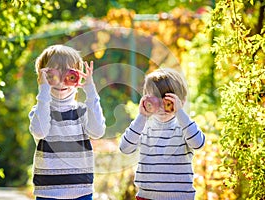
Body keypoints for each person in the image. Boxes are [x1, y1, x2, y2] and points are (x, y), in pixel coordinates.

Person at [29, 44, 106, 200]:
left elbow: (97, 132)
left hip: (81, 191)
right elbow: (39, 131)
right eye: (52, 75)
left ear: (78, 78)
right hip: (47, 192)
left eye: (70, 76)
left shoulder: (83, 112)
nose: (61, 82)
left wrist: (91, 90)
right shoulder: (40, 111)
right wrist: (43, 90)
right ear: (42, 77)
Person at [119, 68, 205, 200]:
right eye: (156, 100)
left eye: (168, 101)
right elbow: (125, 148)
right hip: (146, 196)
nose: (162, 107)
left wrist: (180, 112)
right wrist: (142, 116)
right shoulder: (143, 126)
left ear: (181, 101)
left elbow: (198, 143)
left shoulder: (184, 126)